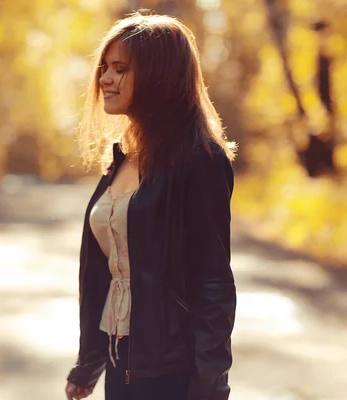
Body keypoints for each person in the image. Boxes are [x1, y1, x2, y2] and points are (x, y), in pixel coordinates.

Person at [65, 11, 237, 400]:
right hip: (120, 360)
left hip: (171, 373)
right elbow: (103, 273)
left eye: (120, 69)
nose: (104, 79)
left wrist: (210, 387)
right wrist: (89, 361)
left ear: (159, 75)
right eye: (104, 68)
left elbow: (213, 282)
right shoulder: (122, 159)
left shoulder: (200, 159)